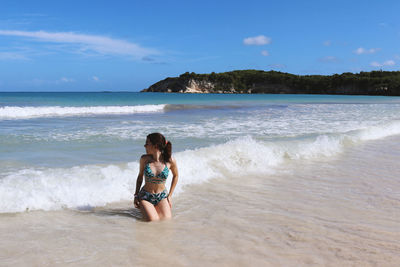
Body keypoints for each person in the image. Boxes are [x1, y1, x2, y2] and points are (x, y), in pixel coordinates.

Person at [134, 133, 179, 221]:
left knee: (166, 220)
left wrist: (170, 196)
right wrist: (136, 195)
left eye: (147, 143)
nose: (144, 146)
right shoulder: (144, 159)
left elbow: (176, 175)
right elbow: (140, 177)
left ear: (155, 146)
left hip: (161, 196)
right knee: (152, 220)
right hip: (145, 196)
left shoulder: (170, 160)